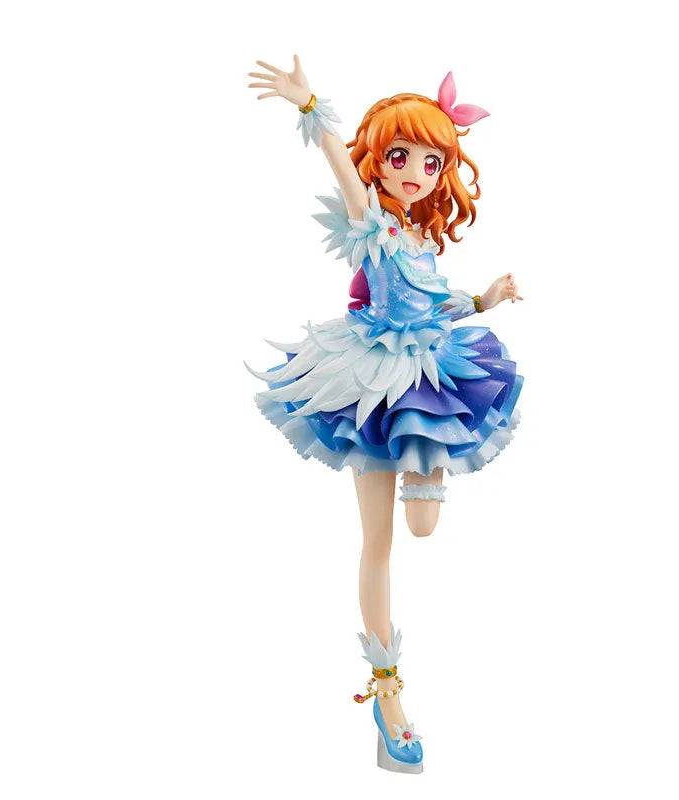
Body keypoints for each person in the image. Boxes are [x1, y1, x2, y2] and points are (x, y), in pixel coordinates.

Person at [246, 56, 524, 773]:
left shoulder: (423, 242)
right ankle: (387, 690)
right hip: (370, 382)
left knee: (424, 525)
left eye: (432, 162)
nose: (415, 172)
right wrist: (310, 107)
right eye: (401, 157)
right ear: (380, 158)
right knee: (380, 542)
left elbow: (435, 304)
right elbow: (342, 167)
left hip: (427, 374)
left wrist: (485, 300)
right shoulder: (371, 224)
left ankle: (427, 461)